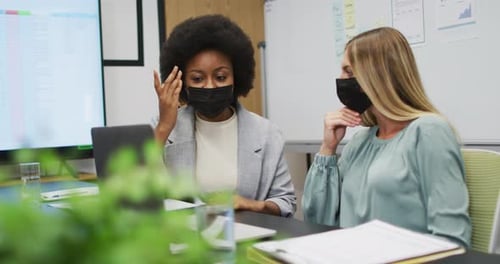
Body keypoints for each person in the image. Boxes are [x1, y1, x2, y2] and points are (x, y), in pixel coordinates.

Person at [302, 27, 471, 247]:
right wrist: (328, 147)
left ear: (377, 76)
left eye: (349, 72)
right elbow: (318, 222)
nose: (341, 80)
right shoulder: (360, 142)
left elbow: (452, 239)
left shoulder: (428, 132)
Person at [152, 14, 296, 217]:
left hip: (247, 238)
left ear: (236, 77)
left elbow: (286, 201)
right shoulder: (163, 129)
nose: (210, 86)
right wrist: (164, 127)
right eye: (198, 78)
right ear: (183, 82)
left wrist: (250, 204)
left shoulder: (267, 134)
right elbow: (136, 192)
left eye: (220, 77)